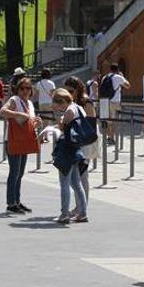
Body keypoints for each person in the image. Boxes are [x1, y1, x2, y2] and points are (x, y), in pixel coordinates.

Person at [47, 88, 89, 224]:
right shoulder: (78, 108)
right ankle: (83, 213)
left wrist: (60, 121)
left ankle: (64, 214)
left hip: (67, 149)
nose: (58, 108)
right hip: (76, 149)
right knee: (76, 183)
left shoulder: (70, 110)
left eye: (58, 105)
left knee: (64, 183)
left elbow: (62, 127)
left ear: (62, 102)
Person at [0, 77, 41, 214]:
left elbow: (29, 121)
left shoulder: (29, 103)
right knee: (14, 172)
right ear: (17, 89)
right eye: (22, 88)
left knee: (20, 173)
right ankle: (11, 203)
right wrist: (18, 114)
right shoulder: (14, 100)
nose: (25, 91)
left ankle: (16, 201)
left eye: (28, 88)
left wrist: (36, 122)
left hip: (24, 139)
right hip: (13, 139)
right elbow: (2, 111)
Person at [64, 76, 99, 207]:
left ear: (78, 89)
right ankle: (79, 206)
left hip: (86, 141)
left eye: (71, 91)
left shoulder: (86, 102)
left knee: (82, 175)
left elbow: (90, 124)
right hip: (76, 140)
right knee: (77, 175)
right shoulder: (70, 102)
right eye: (66, 91)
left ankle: (81, 207)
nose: (69, 94)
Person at [98, 63, 130, 144]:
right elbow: (128, 86)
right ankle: (112, 138)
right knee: (115, 120)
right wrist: (122, 76)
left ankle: (109, 137)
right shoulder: (118, 77)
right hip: (114, 101)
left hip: (105, 100)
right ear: (118, 70)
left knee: (107, 120)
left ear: (110, 69)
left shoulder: (105, 77)